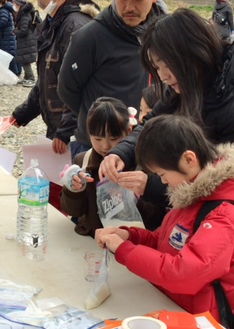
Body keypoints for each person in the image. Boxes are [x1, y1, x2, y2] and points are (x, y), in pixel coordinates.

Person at [99, 8, 234, 220]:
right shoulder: (184, 84)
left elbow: (224, 187)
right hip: (189, 216)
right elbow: (151, 124)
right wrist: (121, 152)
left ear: (194, 54)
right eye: (157, 67)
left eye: (167, 65)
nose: (163, 76)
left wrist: (151, 185)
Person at [96, 115, 234, 322]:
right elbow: (165, 242)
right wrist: (129, 236)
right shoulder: (192, 193)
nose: (163, 181)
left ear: (189, 160)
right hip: (175, 306)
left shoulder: (223, 215)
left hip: (203, 324)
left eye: (162, 174)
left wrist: (124, 250)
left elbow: (184, 274)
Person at [9, 0, 99, 211]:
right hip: (58, 129)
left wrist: (65, 130)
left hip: (73, 134)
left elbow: (81, 85)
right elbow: (47, 78)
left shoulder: (75, 26)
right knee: (56, 195)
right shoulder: (54, 22)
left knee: (73, 198)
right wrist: (23, 112)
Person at [58, 0, 166, 162]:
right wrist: (100, 120)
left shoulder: (163, 34)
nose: (129, 6)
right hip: (98, 148)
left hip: (146, 144)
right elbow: (66, 89)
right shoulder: (90, 36)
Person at [61, 97, 165, 236]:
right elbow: (74, 211)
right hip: (94, 242)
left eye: (114, 139)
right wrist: (72, 190)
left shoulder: (145, 166)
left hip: (132, 245)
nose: (105, 146)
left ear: (129, 131)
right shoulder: (83, 160)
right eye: (97, 139)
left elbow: (157, 219)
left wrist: (133, 199)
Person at [12, 0, 37, 86]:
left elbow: (23, 30)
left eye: (14, 3)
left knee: (25, 60)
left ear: (19, 5)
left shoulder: (24, 15)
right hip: (27, 40)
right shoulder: (25, 13)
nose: (13, 6)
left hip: (27, 40)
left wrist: (15, 31)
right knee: (24, 59)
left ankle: (31, 78)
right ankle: (26, 77)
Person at [0, 0, 18, 75]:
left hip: (6, 37)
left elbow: (2, 23)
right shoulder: (4, 10)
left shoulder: (3, 11)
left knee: (8, 55)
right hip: (7, 36)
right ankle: (15, 72)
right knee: (10, 54)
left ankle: (14, 73)